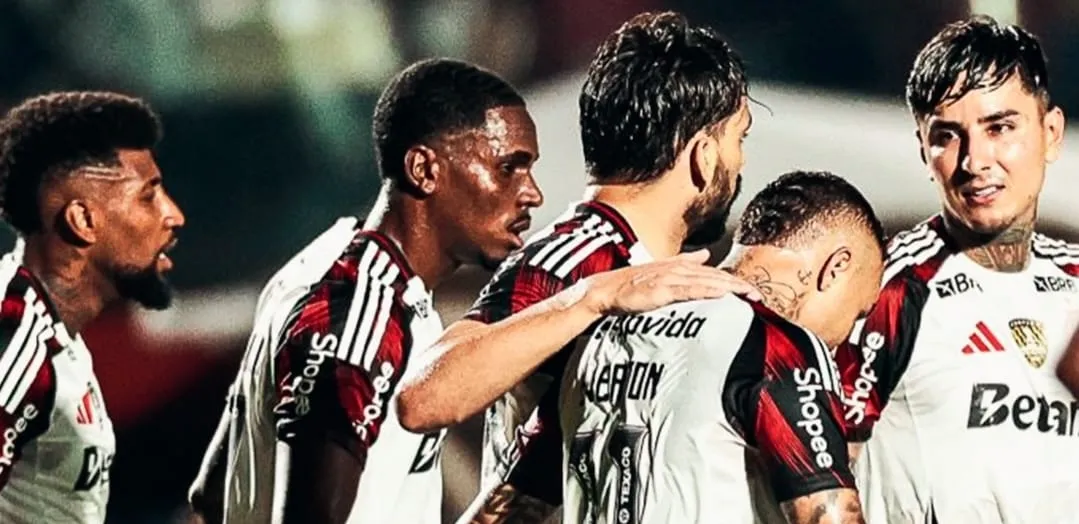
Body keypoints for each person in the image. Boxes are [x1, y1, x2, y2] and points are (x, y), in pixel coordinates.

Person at [185, 57, 741, 524]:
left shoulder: (321, 278)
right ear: (424, 169)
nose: (532, 192)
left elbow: (212, 492)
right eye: (508, 168)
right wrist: (592, 296)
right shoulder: (363, 309)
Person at [394, 11, 756, 522]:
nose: (740, 162)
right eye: (738, 138)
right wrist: (590, 297)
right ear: (702, 154)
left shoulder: (649, 268)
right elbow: (424, 396)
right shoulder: (576, 259)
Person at [832, 15, 1079, 523]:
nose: (975, 160)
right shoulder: (885, 289)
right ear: (923, 150)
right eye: (948, 136)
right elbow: (818, 468)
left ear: (1051, 133)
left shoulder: (1076, 283)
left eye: (1000, 128)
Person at [562, 170, 882, 524]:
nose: (843, 343)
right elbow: (828, 517)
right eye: (858, 313)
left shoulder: (606, 329)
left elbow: (512, 504)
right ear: (836, 268)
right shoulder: (775, 344)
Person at [0, 91, 185, 523]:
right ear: (83, 220)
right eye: (148, 196)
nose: (174, 215)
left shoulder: (54, 331)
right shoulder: (17, 334)